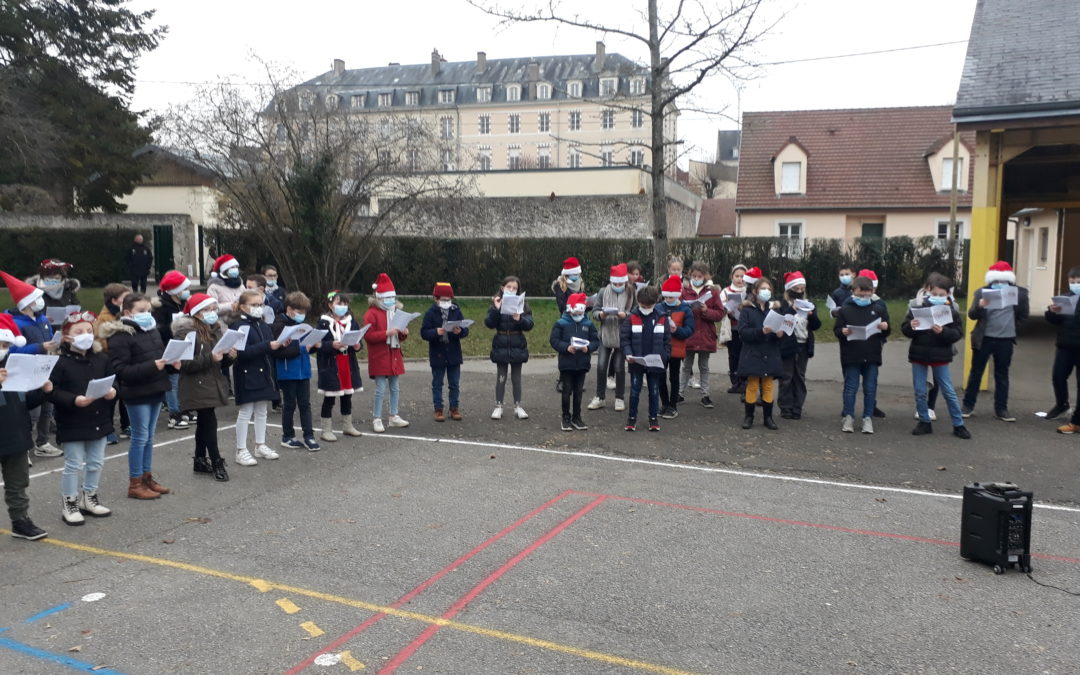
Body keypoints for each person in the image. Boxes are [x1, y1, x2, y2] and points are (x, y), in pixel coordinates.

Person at [102, 292, 176, 499]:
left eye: (149, 311)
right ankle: (135, 483)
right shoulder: (120, 336)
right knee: (140, 437)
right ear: (127, 312)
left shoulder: (150, 330)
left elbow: (158, 355)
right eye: (141, 311)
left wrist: (170, 363)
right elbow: (122, 370)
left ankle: (146, 477)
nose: (147, 315)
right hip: (136, 392)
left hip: (154, 388)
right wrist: (153, 366)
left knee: (149, 437)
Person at [48, 311, 117, 524]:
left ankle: (90, 497)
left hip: (99, 418)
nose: (86, 335)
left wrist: (113, 391)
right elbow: (52, 391)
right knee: (74, 464)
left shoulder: (101, 358)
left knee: (96, 462)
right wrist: (73, 400)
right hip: (72, 420)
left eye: (89, 331)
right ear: (67, 337)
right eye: (79, 332)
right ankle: (70, 502)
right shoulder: (59, 362)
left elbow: (114, 380)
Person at [0, 314, 51, 540]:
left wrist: (42, 390)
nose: (4, 349)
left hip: (15, 435)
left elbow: (26, 402)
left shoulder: (13, 367)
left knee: (18, 483)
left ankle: (20, 521)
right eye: (0, 344)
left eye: (6, 345)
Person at [901, 276, 971, 439]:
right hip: (919, 354)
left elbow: (957, 334)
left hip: (941, 355)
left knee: (948, 390)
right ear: (928, 291)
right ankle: (924, 421)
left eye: (942, 294)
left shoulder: (951, 311)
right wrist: (911, 326)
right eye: (935, 293)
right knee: (920, 390)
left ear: (948, 294)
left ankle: (958, 424)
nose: (938, 297)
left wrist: (943, 332)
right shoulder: (917, 308)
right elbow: (905, 329)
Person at [174, 294, 235, 480]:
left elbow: (219, 363)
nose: (212, 313)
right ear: (196, 312)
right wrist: (211, 358)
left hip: (211, 381)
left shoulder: (214, 329)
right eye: (207, 310)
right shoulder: (186, 332)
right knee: (209, 421)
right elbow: (183, 364)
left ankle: (200, 459)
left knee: (204, 422)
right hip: (196, 383)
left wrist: (228, 357)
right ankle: (216, 460)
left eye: (214, 309)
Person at [1, 270, 61, 457]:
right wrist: (40, 346)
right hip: (26, 369)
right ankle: (25, 445)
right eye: (36, 299)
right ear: (26, 302)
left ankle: (42, 442)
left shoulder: (42, 319)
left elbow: (49, 338)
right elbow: (12, 350)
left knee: (46, 407)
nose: (40, 301)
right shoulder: (16, 323)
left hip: (44, 367)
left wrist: (53, 344)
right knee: (31, 411)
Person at [962, 261, 1030, 422]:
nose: (1000, 284)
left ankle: (1001, 409)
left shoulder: (1019, 293)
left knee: (1002, 374)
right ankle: (967, 406)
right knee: (976, 373)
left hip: (1005, 340)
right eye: (997, 281)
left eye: (1004, 281)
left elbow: (1023, 315)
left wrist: (1012, 328)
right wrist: (980, 306)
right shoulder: (981, 292)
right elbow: (972, 315)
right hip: (984, 339)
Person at [230, 290, 283, 467]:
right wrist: (267, 345)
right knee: (246, 412)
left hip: (264, 373)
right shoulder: (239, 326)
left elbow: (269, 347)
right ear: (243, 307)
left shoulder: (264, 325)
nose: (259, 308)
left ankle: (260, 445)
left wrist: (280, 344)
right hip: (247, 374)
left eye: (260, 305)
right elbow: (242, 353)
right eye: (254, 305)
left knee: (262, 410)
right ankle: (240, 449)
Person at [834, 276, 891, 434]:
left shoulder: (878, 309)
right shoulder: (845, 309)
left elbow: (886, 330)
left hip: (872, 354)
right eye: (860, 295)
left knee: (870, 388)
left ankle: (867, 417)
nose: (864, 298)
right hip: (852, 355)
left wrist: (885, 327)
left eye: (867, 295)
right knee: (851, 387)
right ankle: (849, 416)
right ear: (853, 292)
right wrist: (843, 332)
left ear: (872, 292)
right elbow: (837, 330)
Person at [271, 292, 320, 450]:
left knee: (305, 404)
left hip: (303, 370)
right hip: (287, 371)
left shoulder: (303, 326)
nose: (302, 315)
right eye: (299, 312)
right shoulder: (279, 325)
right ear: (289, 309)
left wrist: (313, 346)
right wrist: (302, 349)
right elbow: (277, 352)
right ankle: (287, 436)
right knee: (290, 404)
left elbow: (305, 348)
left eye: (304, 312)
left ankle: (309, 436)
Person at [363, 274, 411, 433]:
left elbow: (399, 336)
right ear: (380, 297)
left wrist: (403, 332)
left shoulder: (395, 311)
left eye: (393, 297)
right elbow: (368, 336)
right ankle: (377, 418)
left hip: (394, 355)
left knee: (395, 387)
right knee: (380, 388)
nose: (391, 300)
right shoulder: (372, 313)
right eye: (388, 297)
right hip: (379, 356)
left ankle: (393, 416)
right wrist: (387, 333)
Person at [736, 277, 784, 430]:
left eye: (769, 289)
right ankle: (749, 417)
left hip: (770, 352)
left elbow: (781, 329)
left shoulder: (775, 309)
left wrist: (780, 333)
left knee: (768, 385)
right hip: (753, 353)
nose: (766, 292)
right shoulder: (747, 310)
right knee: (752, 385)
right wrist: (761, 331)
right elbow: (743, 333)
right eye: (763, 289)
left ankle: (768, 418)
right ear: (755, 291)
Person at [620, 286, 670, 432]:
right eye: (643, 305)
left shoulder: (661, 317)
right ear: (638, 302)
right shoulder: (632, 317)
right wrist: (628, 354)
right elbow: (625, 339)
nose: (645, 308)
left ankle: (653, 418)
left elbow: (667, 341)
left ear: (655, 303)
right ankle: (631, 418)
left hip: (655, 362)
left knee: (654, 391)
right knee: (635, 390)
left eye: (649, 306)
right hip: (637, 361)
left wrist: (664, 357)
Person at [317, 290, 365, 440]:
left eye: (345, 304)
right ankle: (326, 429)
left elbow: (358, 339)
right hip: (331, 363)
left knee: (347, 396)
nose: (342, 307)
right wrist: (331, 344)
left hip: (347, 362)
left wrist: (358, 346)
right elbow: (318, 344)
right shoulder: (324, 322)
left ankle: (347, 426)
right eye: (339, 304)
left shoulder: (351, 321)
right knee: (330, 397)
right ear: (330, 305)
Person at [587, 263, 634, 413]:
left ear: (625, 282)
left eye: (620, 283)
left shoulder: (631, 292)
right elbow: (595, 310)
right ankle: (600, 397)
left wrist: (626, 315)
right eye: (615, 283)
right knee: (601, 366)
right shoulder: (603, 292)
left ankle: (619, 398)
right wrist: (601, 315)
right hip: (605, 335)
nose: (617, 286)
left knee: (620, 367)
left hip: (622, 336)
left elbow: (636, 312)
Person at [485, 276, 534, 420]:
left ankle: (518, 406)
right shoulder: (496, 303)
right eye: (509, 287)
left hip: (517, 343)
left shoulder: (523, 305)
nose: (511, 290)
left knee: (516, 377)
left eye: (514, 288)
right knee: (501, 376)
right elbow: (489, 323)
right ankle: (498, 405)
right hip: (501, 342)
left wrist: (520, 319)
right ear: (502, 288)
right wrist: (496, 309)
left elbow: (530, 324)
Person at [550, 292, 600, 431]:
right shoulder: (561, 323)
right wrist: (566, 348)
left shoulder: (588, 324)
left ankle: (577, 417)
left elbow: (596, 341)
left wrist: (588, 348)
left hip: (582, 363)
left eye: (580, 311)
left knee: (578, 392)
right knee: (566, 391)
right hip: (567, 363)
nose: (578, 314)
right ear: (570, 309)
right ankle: (566, 417)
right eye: (576, 311)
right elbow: (554, 340)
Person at [679, 261, 726, 409]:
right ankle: (680, 393)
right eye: (694, 275)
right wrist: (687, 309)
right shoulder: (684, 291)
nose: (696, 278)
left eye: (699, 276)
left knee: (704, 366)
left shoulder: (712, 292)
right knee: (686, 365)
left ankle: (705, 395)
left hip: (705, 335)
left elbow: (720, 313)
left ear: (705, 276)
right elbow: (678, 310)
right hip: (689, 334)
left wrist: (706, 310)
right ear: (690, 275)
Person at [421, 282, 469, 422]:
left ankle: (454, 408)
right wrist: (436, 332)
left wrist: (460, 331)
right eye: (443, 299)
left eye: (448, 299)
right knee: (437, 383)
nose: (446, 302)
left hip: (454, 353)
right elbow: (424, 332)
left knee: (454, 383)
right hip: (438, 353)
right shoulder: (431, 313)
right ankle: (438, 409)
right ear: (436, 299)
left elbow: (465, 329)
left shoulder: (456, 310)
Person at [152, 270, 193, 431]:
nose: (187, 292)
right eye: (184, 288)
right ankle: (174, 413)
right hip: (168, 346)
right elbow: (160, 329)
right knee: (173, 382)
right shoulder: (162, 307)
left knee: (183, 379)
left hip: (184, 344)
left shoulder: (182, 304)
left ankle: (184, 408)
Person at [777, 271, 821, 420]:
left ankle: (797, 407)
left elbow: (816, 325)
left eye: (802, 289)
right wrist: (791, 310)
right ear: (789, 289)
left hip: (803, 344)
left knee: (799, 376)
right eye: (797, 289)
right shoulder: (782, 304)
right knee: (786, 376)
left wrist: (812, 315)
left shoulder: (810, 304)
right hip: (788, 345)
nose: (800, 292)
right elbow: (780, 322)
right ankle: (785, 407)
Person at [95, 283, 131, 442]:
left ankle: (127, 424)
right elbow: (102, 342)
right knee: (109, 396)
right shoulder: (104, 318)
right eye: (125, 298)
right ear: (114, 300)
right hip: (109, 360)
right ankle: (107, 428)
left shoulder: (125, 313)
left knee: (125, 393)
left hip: (123, 358)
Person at [1046, 266, 1080, 431]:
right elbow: (1055, 321)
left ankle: (1077, 420)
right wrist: (1052, 312)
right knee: (1058, 377)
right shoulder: (1065, 297)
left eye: (1078, 282)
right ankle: (1061, 404)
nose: (1074, 285)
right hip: (1065, 345)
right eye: (1072, 282)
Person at [658, 275, 694, 419]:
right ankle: (664, 403)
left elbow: (690, 330)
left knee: (674, 377)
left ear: (677, 295)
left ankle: (673, 405)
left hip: (676, 348)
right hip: (660, 348)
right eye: (666, 297)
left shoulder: (685, 309)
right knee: (660, 377)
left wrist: (676, 330)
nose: (668, 300)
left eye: (671, 298)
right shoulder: (659, 307)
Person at [550, 258, 583, 394]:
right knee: (565, 350)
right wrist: (574, 306)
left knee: (578, 349)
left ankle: (576, 380)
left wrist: (586, 305)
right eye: (575, 274)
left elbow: (582, 302)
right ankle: (562, 380)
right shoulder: (560, 285)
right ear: (568, 273)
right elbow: (562, 306)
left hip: (580, 319)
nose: (577, 276)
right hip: (566, 320)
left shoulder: (580, 283)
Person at [719, 264, 749, 395]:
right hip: (732, 328)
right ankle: (735, 381)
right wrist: (728, 309)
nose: (740, 279)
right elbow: (720, 306)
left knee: (745, 355)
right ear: (732, 277)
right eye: (737, 276)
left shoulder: (749, 291)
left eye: (743, 276)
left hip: (747, 328)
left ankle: (745, 382)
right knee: (733, 355)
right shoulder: (726, 291)